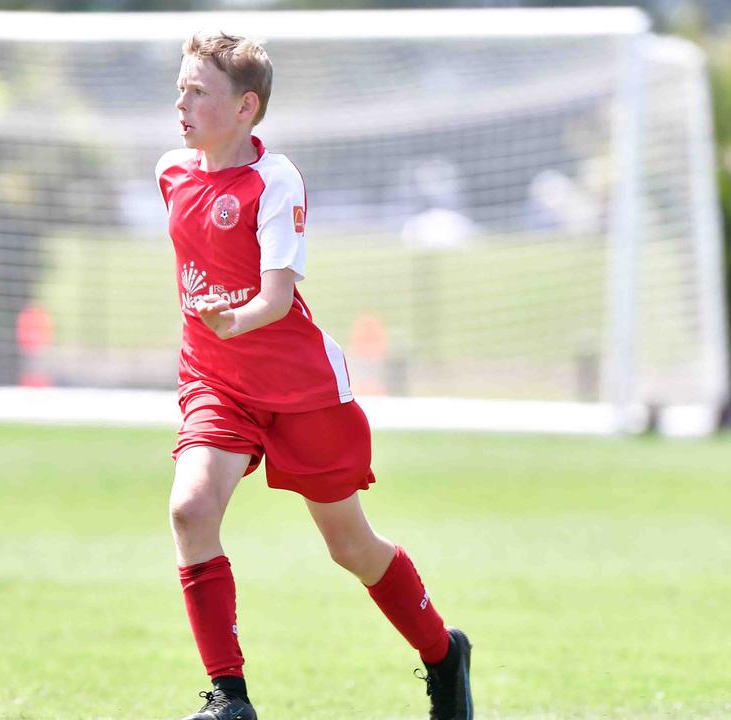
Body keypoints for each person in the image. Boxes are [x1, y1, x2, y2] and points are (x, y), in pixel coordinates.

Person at [155, 32, 473, 720]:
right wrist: (216, 334)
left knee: (350, 547)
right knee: (190, 509)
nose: (181, 103)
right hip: (216, 383)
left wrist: (231, 320)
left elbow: (273, 298)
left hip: (300, 388)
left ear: (246, 108)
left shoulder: (275, 179)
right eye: (180, 87)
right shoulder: (171, 173)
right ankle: (229, 698)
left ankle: (445, 655)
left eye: (198, 92)